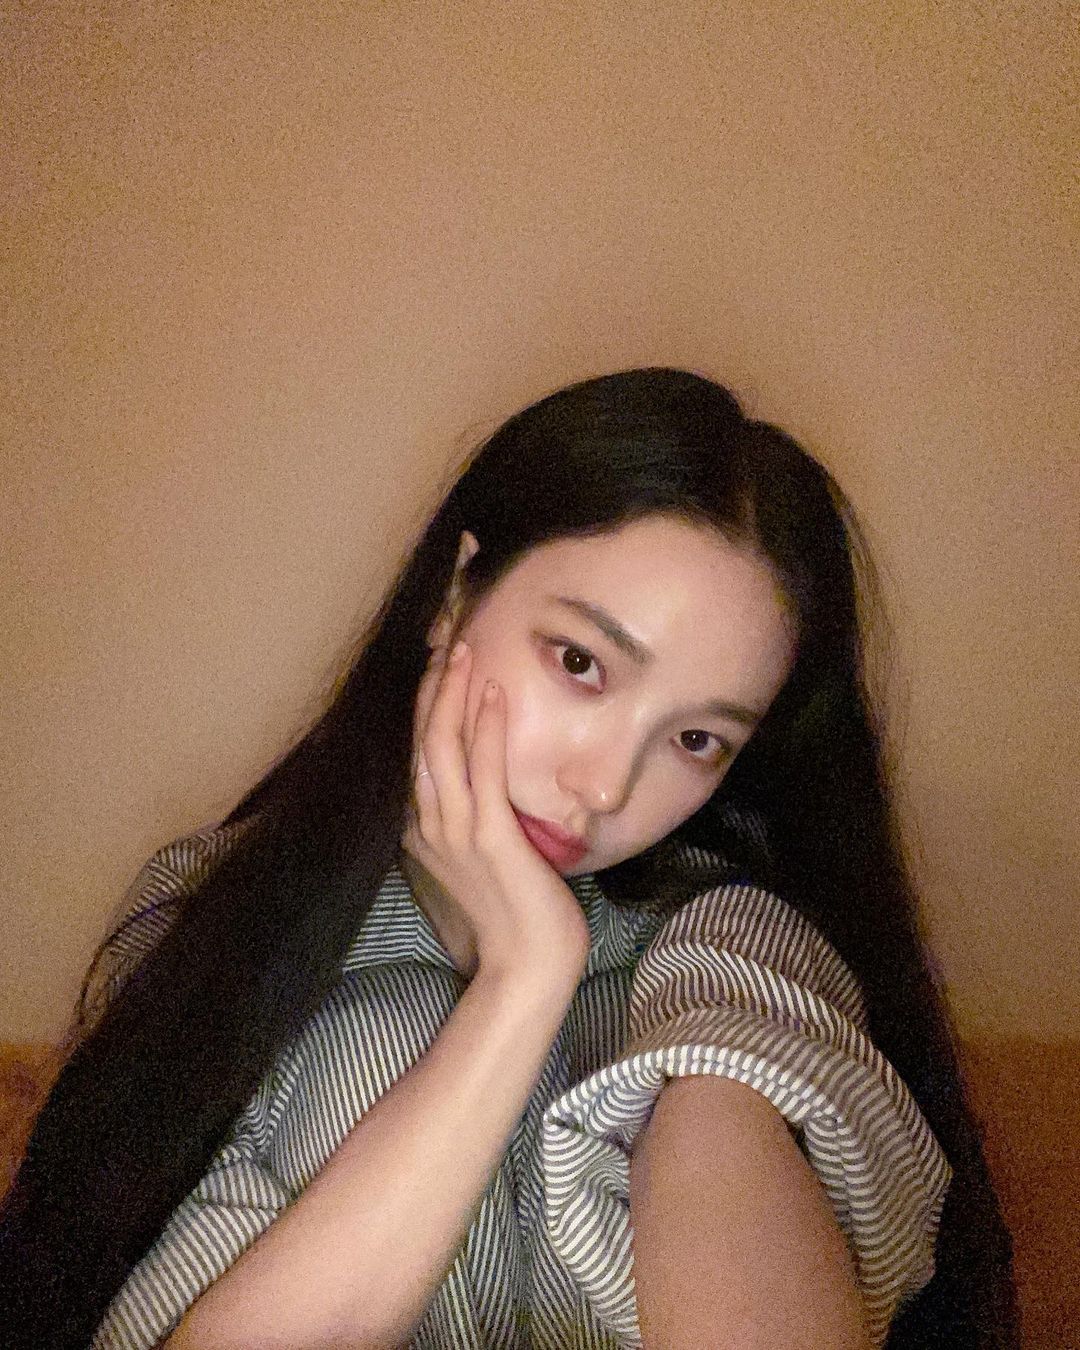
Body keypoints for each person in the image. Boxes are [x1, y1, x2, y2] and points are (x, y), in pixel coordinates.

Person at [0, 368, 1015, 1348]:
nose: (604, 787)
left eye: (696, 739)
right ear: (455, 597)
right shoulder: (214, 908)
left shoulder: (727, 946)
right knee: (382, 1028)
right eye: (580, 663)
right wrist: (521, 985)